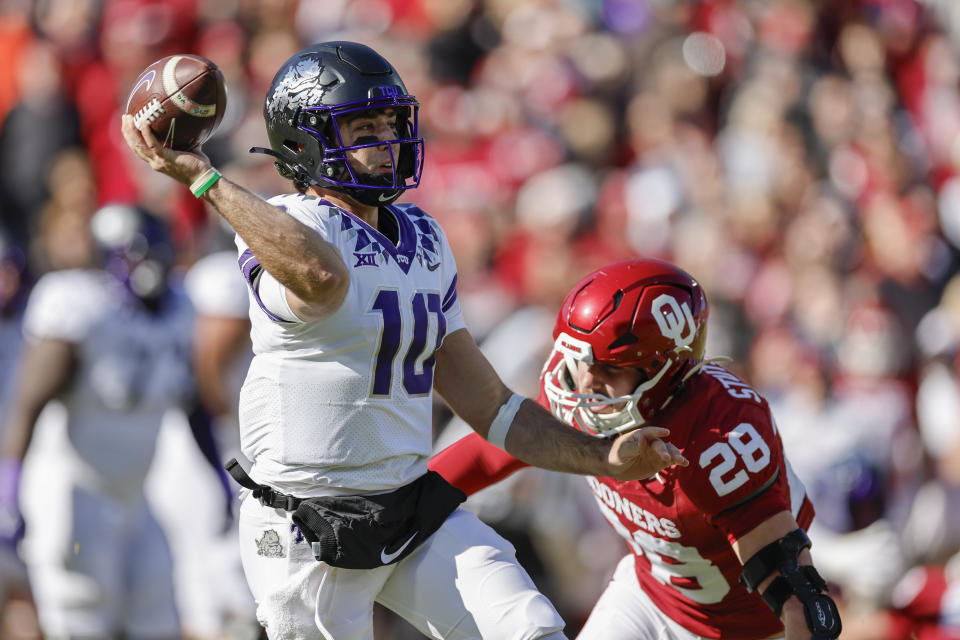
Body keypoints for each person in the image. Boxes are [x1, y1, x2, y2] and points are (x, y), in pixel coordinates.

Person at [120, 40, 688, 640]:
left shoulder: (422, 235)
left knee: (528, 626)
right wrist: (203, 178)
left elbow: (492, 407)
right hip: (307, 526)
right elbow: (321, 278)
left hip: (408, 505)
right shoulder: (284, 225)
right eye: (364, 127)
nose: (387, 141)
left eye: (390, 123)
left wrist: (604, 457)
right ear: (304, 142)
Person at [429, 258, 843, 640]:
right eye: (582, 361)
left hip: (746, 631)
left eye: (610, 368)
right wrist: (407, 495)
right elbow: (494, 452)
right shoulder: (580, 394)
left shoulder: (721, 437)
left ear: (664, 370)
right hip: (649, 594)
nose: (586, 383)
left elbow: (795, 592)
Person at [0, 203, 193, 639]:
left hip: (139, 493)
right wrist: (9, 486)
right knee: (80, 616)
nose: (145, 267)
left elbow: (193, 401)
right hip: (74, 491)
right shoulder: (79, 304)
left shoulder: (182, 307)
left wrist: (220, 478)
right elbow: (28, 402)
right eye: (132, 256)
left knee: (156, 613)